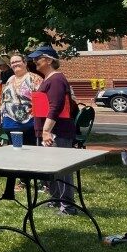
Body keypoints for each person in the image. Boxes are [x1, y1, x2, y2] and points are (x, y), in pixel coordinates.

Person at [29, 45, 78, 215]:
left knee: (63, 169)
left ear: (49, 60)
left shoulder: (56, 79)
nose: (34, 61)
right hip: (51, 131)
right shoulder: (49, 79)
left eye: (38, 58)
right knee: (52, 167)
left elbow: (56, 106)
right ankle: (56, 200)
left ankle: (68, 206)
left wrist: (46, 130)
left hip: (58, 132)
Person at [0, 54, 39, 147]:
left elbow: (41, 100)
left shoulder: (34, 78)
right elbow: (4, 98)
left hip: (28, 123)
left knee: (29, 150)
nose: (15, 64)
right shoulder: (10, 79)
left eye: (17, 61)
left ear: (25, 62)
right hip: (9, 123)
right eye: (12, 62)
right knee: (14, 150)